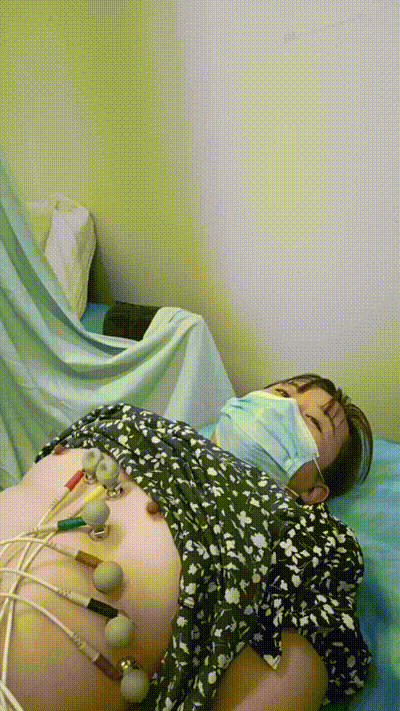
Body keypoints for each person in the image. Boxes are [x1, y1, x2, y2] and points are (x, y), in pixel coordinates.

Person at [0, 373, 373, 711]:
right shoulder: (131, 421)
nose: (283, 408)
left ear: (314, 493)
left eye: (312, 421)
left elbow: (291, 673)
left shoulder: (305, 537)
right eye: (281, 393)